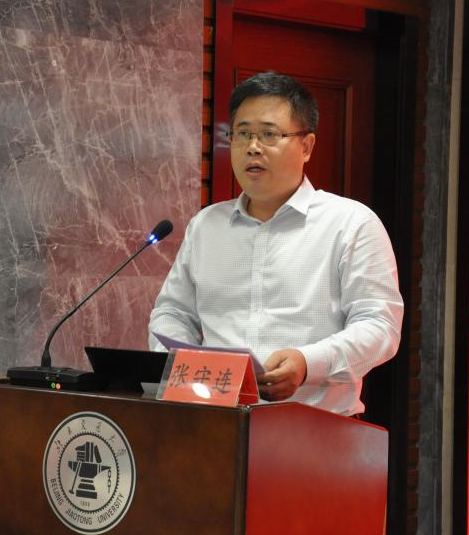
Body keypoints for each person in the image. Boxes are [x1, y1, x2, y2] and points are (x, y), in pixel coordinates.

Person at [148, 71, 403, 416]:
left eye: (269, 134)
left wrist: (308, 363)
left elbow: (380, 326)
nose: (252, 147)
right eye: (242, 134)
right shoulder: (206, 226)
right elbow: (173, 313)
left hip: (316, 428)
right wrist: (186, 363)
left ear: (306, 146)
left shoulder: (351, 224)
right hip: (214, 424)